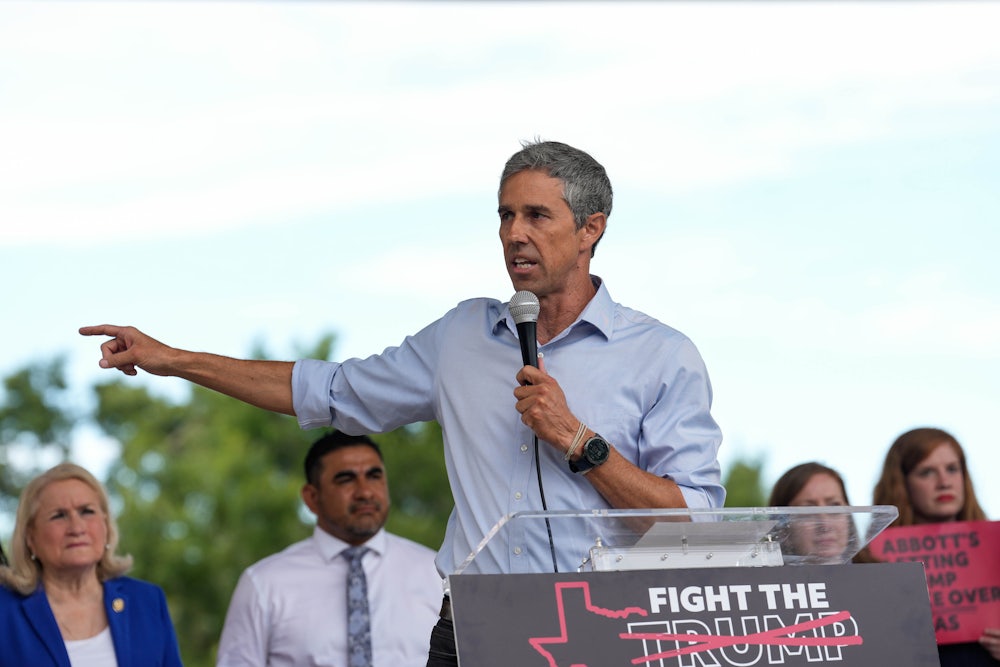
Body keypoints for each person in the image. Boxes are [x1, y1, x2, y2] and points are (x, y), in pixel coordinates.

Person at [80, 139, 725, 665]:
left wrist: (579, 442)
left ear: (591, 229)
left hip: (608, 630)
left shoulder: (661, 356)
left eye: (536, 216)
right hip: (476, 629)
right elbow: (328, 393)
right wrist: (173, 360)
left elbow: (696, 527)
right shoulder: (462, 338)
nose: (514, 235)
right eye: (504, 216)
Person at [216, 430, 441, 667]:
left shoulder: (437, 574)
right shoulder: (264, 583)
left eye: (374, 476)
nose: (365, 492)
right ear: (312, 497)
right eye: (346, 479)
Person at [0, 462, 183, 667]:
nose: (77, 528)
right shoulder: (5, 611)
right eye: (58, 515)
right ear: (30, 538)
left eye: (87, 511)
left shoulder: (147, 600)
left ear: (105, 525)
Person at [872, 427, 1000, 665]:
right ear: (902, 482)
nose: (944, 482)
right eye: (927, 472)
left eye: (952, 469)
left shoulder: (996, 551)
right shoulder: (871, 562)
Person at [768, 462, 860, 564]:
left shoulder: (876, 576)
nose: (825, 524)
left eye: (834, 507)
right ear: (782, 528)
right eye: (808, 511)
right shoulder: (762, 579)